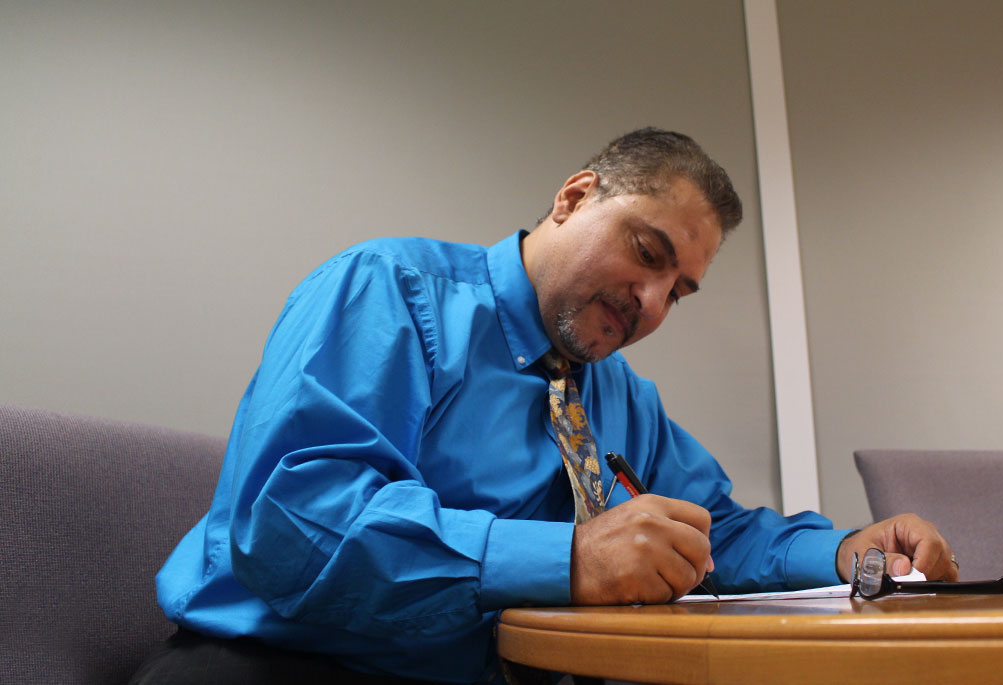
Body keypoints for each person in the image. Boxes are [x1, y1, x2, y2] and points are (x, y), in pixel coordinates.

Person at [133, 128, 957, 684]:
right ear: (573, 197)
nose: (652, 303)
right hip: (279, 664)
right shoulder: (392, 293)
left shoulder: (620, 398)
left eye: (682, 290)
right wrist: (569, 559)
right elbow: (294, 522)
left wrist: (850, 551)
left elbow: (718, 530)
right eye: (647, 252)